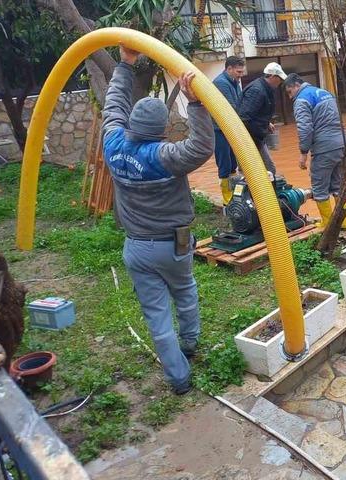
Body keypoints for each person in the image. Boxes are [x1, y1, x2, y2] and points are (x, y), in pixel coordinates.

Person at [102, 45, 214, 395]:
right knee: (184, 290)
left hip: (136, 247)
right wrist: (195, 103)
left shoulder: (113, 145)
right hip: (173, 244)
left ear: (132, 124)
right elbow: (200, 147)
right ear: (162, 129)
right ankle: (192, 343)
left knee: (156, 314)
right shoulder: (164, 156)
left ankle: (179, 378)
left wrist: (125, 63)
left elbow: (112, 107)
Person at [283, 74, 346, 230]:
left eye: (289, 92)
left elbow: (305, 128)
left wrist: (303, 153)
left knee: (319, 188)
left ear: (296, 86)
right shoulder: (325, 93)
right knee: (338, 186)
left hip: (324, 148)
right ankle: (344, 224)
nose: (290, 97)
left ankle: (327, 225)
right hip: (342, 143)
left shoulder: (301, 100)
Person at [238, 62, 287, 179]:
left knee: (268, 170)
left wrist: (266, 123)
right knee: (268, 170)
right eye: (279, 79)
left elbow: (256, 112)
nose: (280, 82)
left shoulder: (264, 88)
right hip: (251, 139)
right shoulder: (257, 90)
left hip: (257, 136)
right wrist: (247, 144)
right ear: (271, 76)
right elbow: (244, 116)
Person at [212, 56, 245, 202]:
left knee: (232, 162)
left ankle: (234, 194)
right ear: (229, 68)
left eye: (241, 71)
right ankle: (227, 198)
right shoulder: (221, 83)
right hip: (219, 129)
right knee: (224, 162)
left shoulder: (234, 81)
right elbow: (231, 107)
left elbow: (239, 102)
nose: (240, 75)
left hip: (230, 128)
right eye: (238, 71)